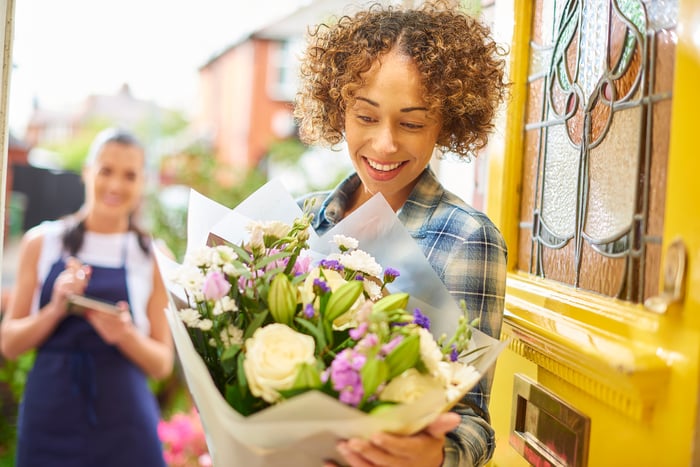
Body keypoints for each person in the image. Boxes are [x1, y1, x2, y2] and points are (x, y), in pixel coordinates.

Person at [294, 2, 509, 466]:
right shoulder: (301, 219)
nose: (386, 143)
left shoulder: (468, 238)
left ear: (446, 122)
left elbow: (472, 420)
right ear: (338, 110)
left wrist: (435, 456)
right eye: (366, 117)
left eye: (412, 123)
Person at [0, 128, 174, 466]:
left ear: (143, 183)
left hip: (125, 425)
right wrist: (54, 310)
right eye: (106, 170)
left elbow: (162, 363)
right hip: (48, 418)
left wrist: (124, 335)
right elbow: (8, 343)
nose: (115, 185)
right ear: (87, 171)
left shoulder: (153, 256)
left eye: (129, 175)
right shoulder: (43, 243)